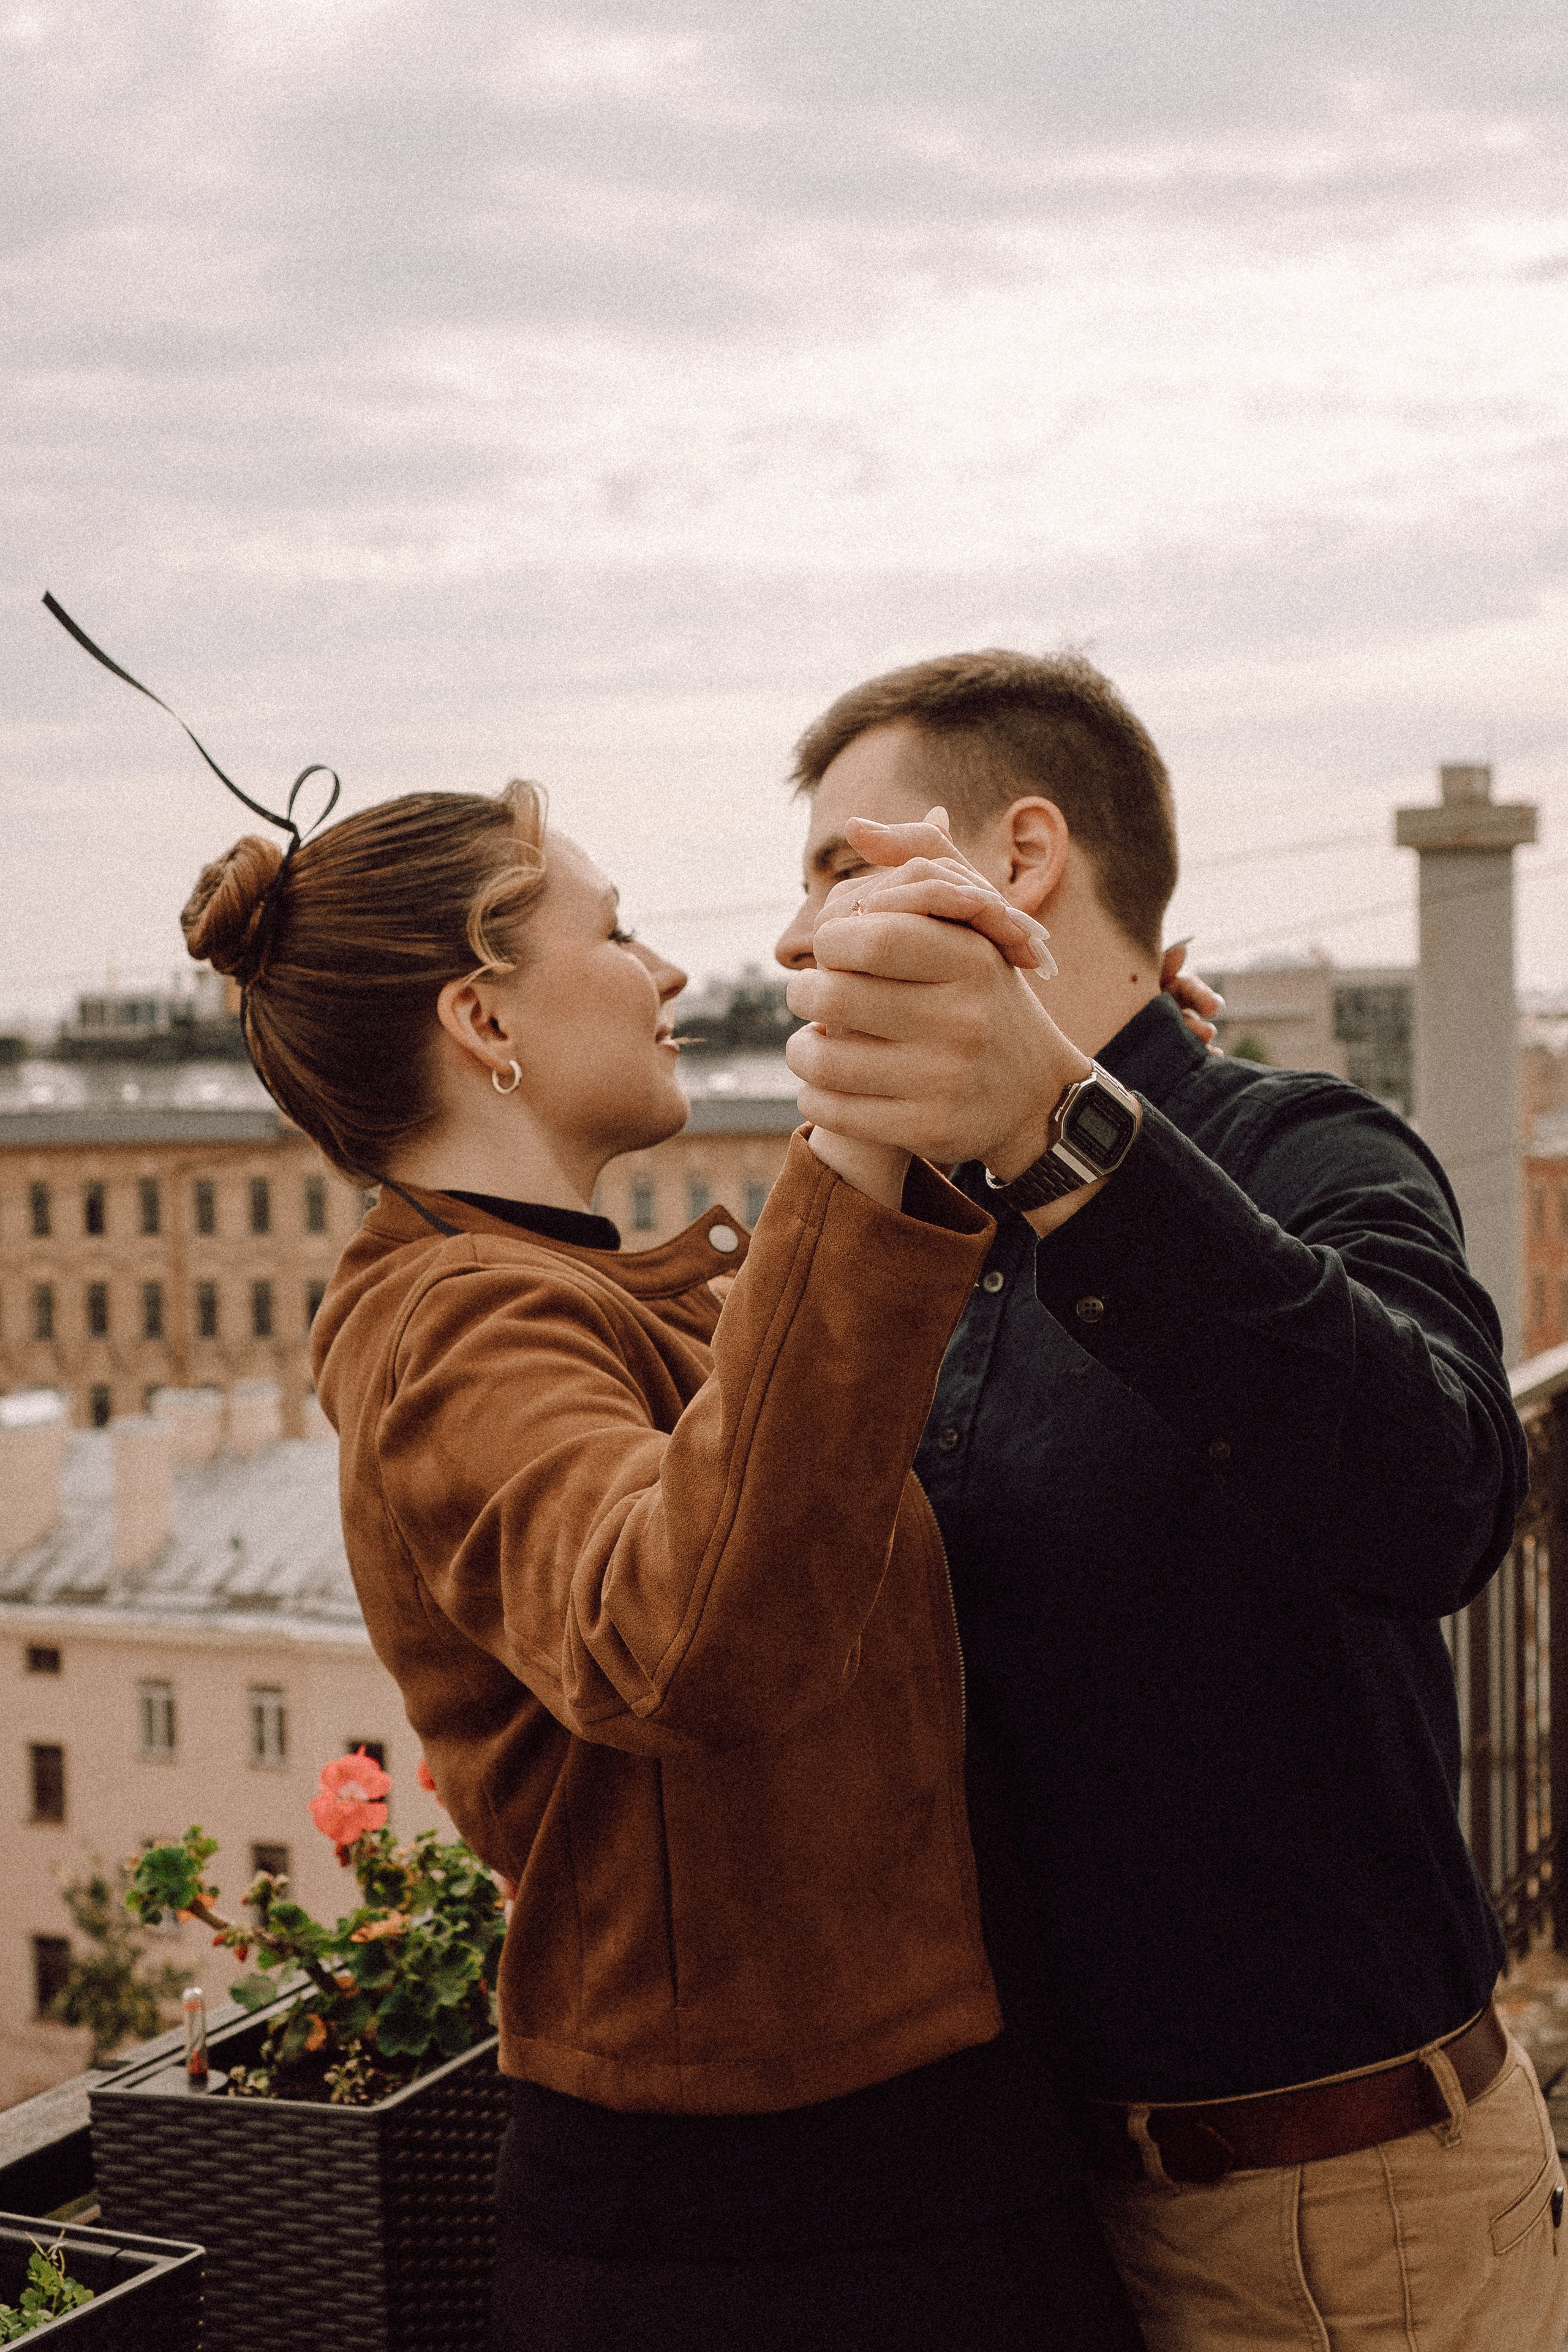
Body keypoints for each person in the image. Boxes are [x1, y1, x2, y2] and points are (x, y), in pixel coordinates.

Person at [175, 778, 1147, 2352]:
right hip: (757, 2225)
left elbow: (805, 1458)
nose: (669, 972)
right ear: (483, 1018)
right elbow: (684, 1629)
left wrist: (1072, 1074)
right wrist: (855, 1125)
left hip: (871, 2158)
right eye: (617, 932)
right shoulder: (458, 1323)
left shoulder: (599, 1296)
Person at [774, 649, 1568, 2352]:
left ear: (1022, 857)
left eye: (842, 867)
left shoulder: (1305, 1149)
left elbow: (1444, 1498)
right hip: (1029, 2214)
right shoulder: (930, 1233)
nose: (794, 935)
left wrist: (1067, 1131)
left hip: (1335, 2228)